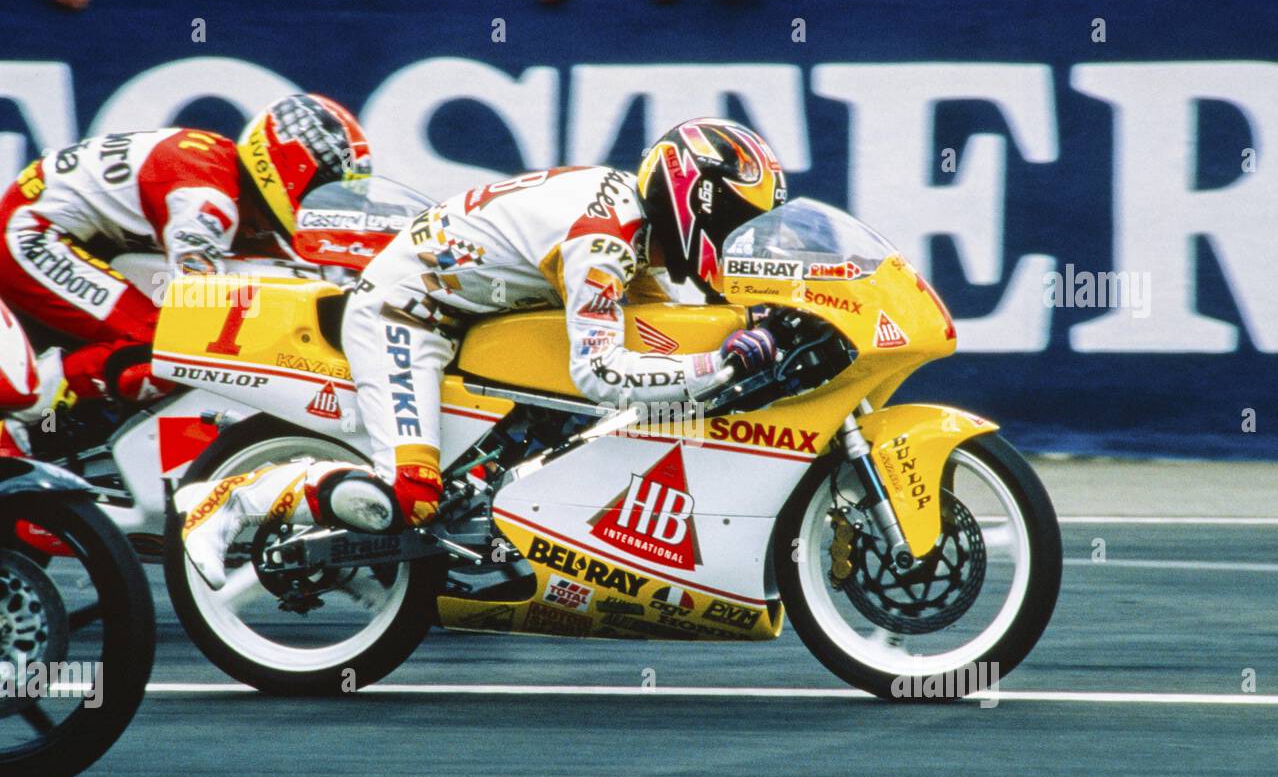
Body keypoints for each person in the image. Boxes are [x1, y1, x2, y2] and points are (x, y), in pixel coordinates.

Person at [177, 118, 786, 589]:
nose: (734, 240)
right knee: (410, 495)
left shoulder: (631, 225)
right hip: (407, 316)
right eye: (736, 222)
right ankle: (229, 502)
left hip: (466, 317)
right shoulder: (603, 241)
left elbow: (662, 334)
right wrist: (725, 364)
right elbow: (601, 371)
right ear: (697, 198)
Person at [0, 93, 370, 424]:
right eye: (323, 188)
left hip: (84, 236)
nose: (325, 203)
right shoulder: (206, 199)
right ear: (290, 170)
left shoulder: (234, 183)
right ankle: (26, 419)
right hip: (32, 234)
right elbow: (197, 305)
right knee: (169, 342)